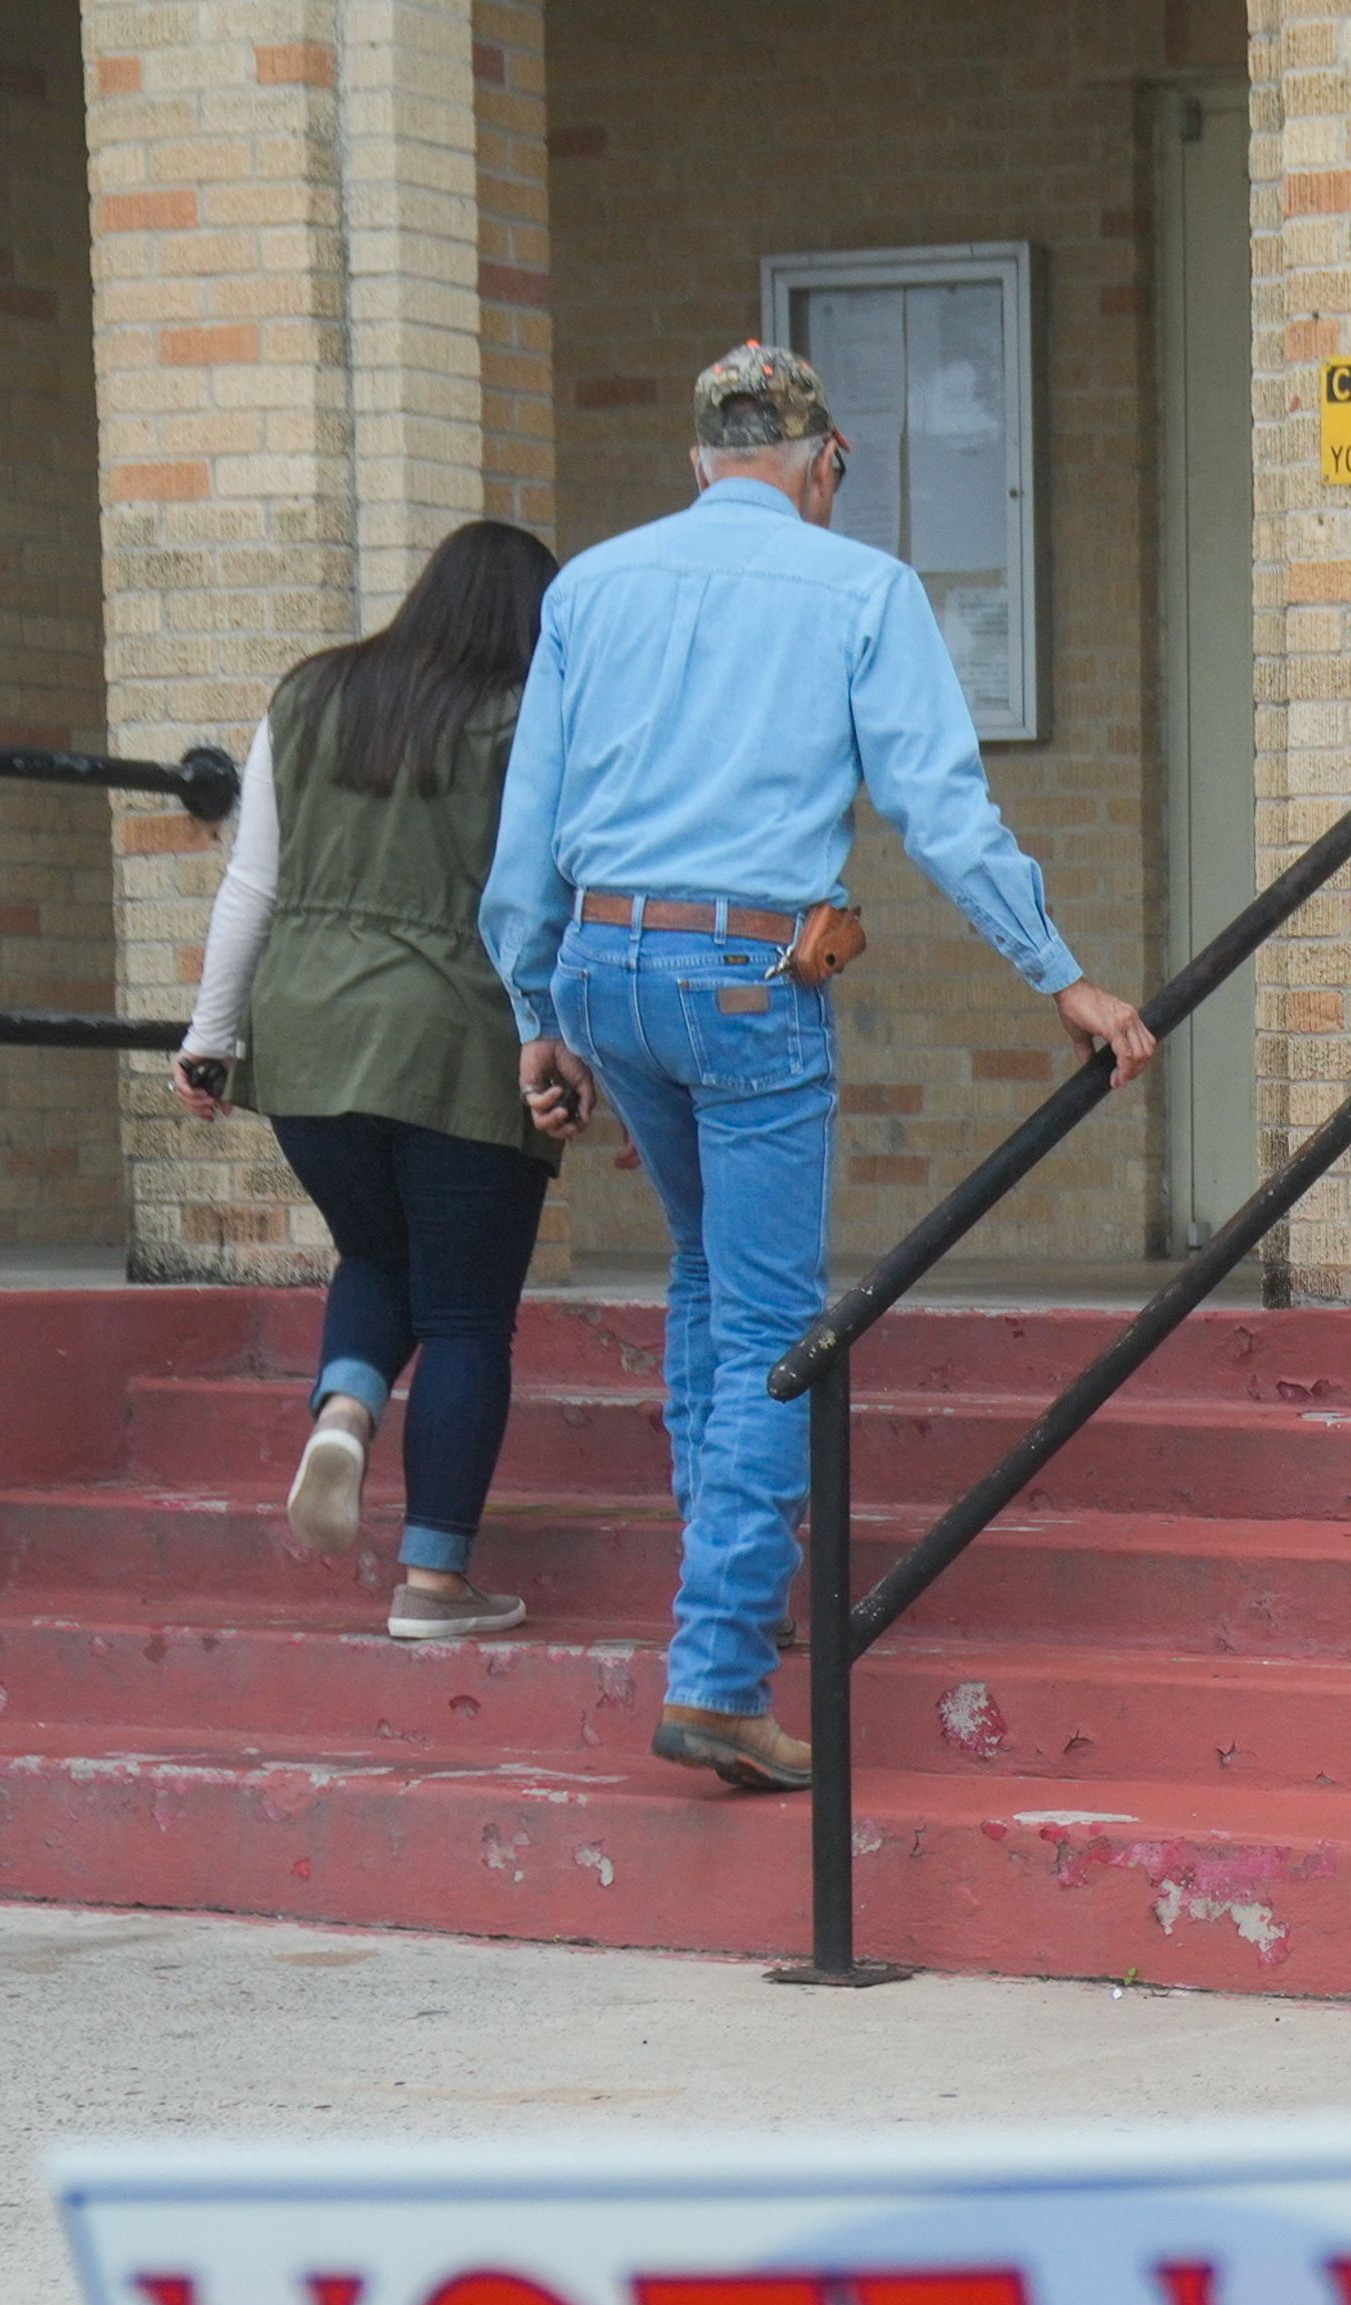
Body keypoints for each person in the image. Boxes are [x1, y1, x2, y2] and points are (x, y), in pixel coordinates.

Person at [481, 340, 1156, 1793]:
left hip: (604, 966)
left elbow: (526, 821)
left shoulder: (589, 587)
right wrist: (1063, 975)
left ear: (697, 462)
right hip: (748, 975)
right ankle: (721, 1670)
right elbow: (942, 810)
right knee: (780, 1324)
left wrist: (534, 1008)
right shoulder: (861, 588)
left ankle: (729, 1576)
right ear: (824, 462)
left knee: (708, 1277)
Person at [178, 518, 567, 1642]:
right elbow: (560, 897)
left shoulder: (311, 694)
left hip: (302, 1036)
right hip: (457, 1037)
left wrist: (210, 1036)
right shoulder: (526, 718)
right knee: (464, 1319)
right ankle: (435, 1582)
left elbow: (251, 884)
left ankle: (346, 1409)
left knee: (374, 1251)